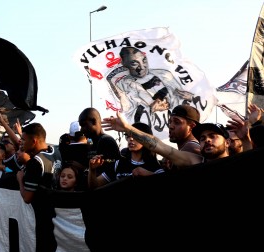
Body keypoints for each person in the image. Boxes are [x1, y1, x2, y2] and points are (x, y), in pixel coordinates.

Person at [102, 110, 242, 168]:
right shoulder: (195, 161)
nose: (207, 140)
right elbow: (160, 147)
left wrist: (246, 138)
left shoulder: (238, 161)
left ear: (228, 142)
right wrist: (128, 128)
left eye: (213, 136)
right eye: (203, 138)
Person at [15, 122, 61, 252]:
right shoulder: (55, 151)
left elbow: (27, 197)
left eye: (24, 140)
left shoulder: (36, 162)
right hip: (58, 217)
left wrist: (20, 178)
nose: (21, 143)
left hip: (42, 218)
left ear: (34, 141)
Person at [107, 46, 195, 123]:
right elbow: (128, 116)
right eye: (134, 63)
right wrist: (151, 110)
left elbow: (181, 101)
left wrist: (192, 98)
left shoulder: (164, 74)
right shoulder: (123, 86)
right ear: (124, 64)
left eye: (144, 60)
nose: (142, 66)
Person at [88, 122, 164, 190]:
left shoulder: (156, 168)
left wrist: (151, 176)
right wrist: (92, 170)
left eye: (135, 136)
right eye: (128, 135)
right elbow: (95, 186)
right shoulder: (118, 164)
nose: (130, 139)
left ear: (147, 139)